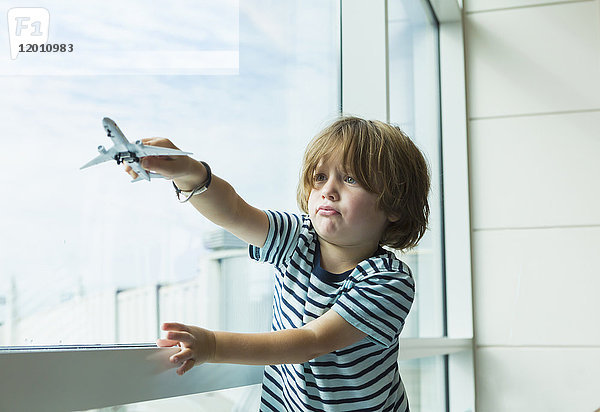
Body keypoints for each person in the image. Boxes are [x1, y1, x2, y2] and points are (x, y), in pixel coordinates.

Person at [126, 116, 430, 411]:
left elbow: (310, 341)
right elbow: (234, 211)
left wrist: (213, 345)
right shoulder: (299, 238)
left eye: (350, 179)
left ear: (394, 205)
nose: (328, 190)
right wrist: (189, 172)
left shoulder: (388, 280)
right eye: (320, 177)